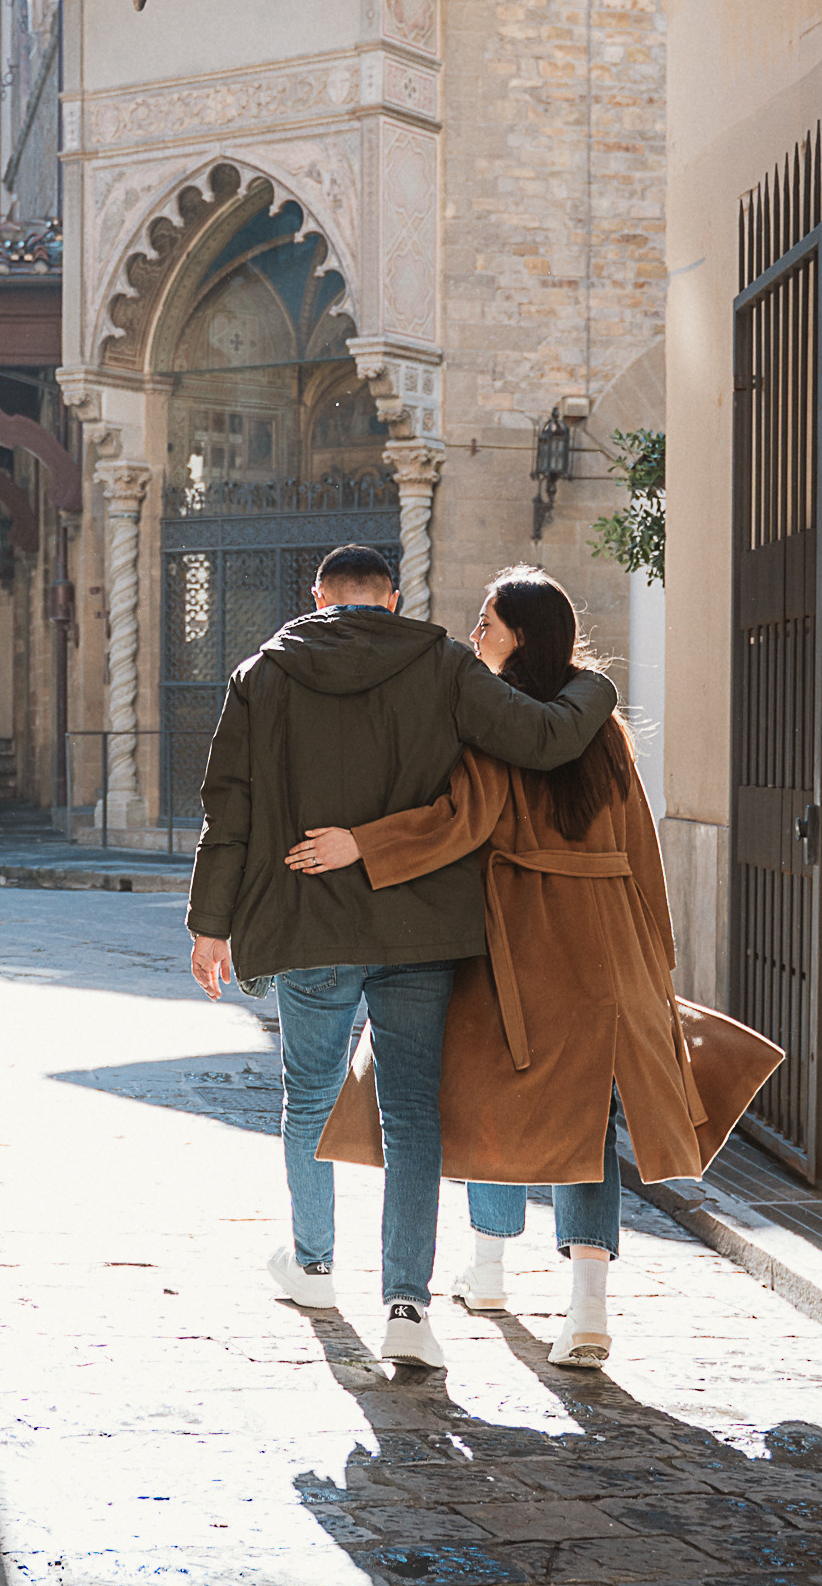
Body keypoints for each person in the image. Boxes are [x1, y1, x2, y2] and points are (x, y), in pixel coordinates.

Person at [188, 542, 615, 1370]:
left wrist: (210, 925)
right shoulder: (443, 664)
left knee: (310, 1098)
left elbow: (227, 807)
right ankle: (407, 1309)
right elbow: (543, 739)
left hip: (307, 924)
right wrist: (596, 684)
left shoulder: (260, 675)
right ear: (390, 600)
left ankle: (314, 1266)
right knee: (413, 1114)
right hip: (421, 930)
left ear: (319, 598)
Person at [291, 565, 709, 1371]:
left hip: (518, 937)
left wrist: (362, 843)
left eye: (487, 622)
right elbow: (641, 851)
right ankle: (588, 1309)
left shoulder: (493, 723)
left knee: (485, 1094)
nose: (474, 633)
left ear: (522, 635)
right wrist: (655, 960)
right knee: (589, 1119)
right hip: (607, 944)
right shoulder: (606, 732)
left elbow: (456, 821)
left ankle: (487, 1270)